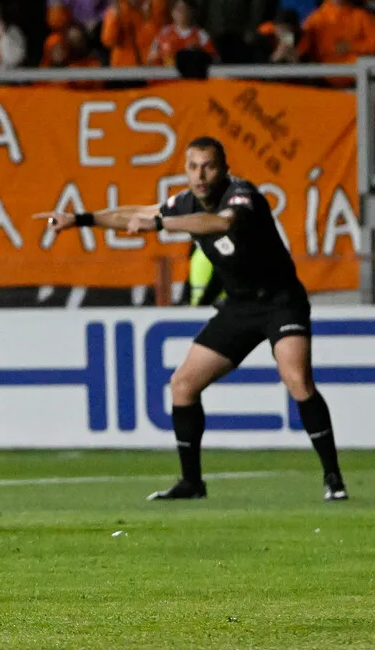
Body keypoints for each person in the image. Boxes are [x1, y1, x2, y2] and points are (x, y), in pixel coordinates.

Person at [38, 137, 347, 502]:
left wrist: (161, 223)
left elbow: (217, 223)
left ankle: (333, 477)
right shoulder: (182, 203)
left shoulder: (241, 195)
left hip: (281, 301)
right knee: (183, 385)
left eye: (209, 166)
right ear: (185, 170)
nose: (200, 175)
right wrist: (80, 219)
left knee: (296, 379)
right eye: (192, 167)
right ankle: (191, 483)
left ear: (224, 168)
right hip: (239, 307)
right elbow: (133, 213)